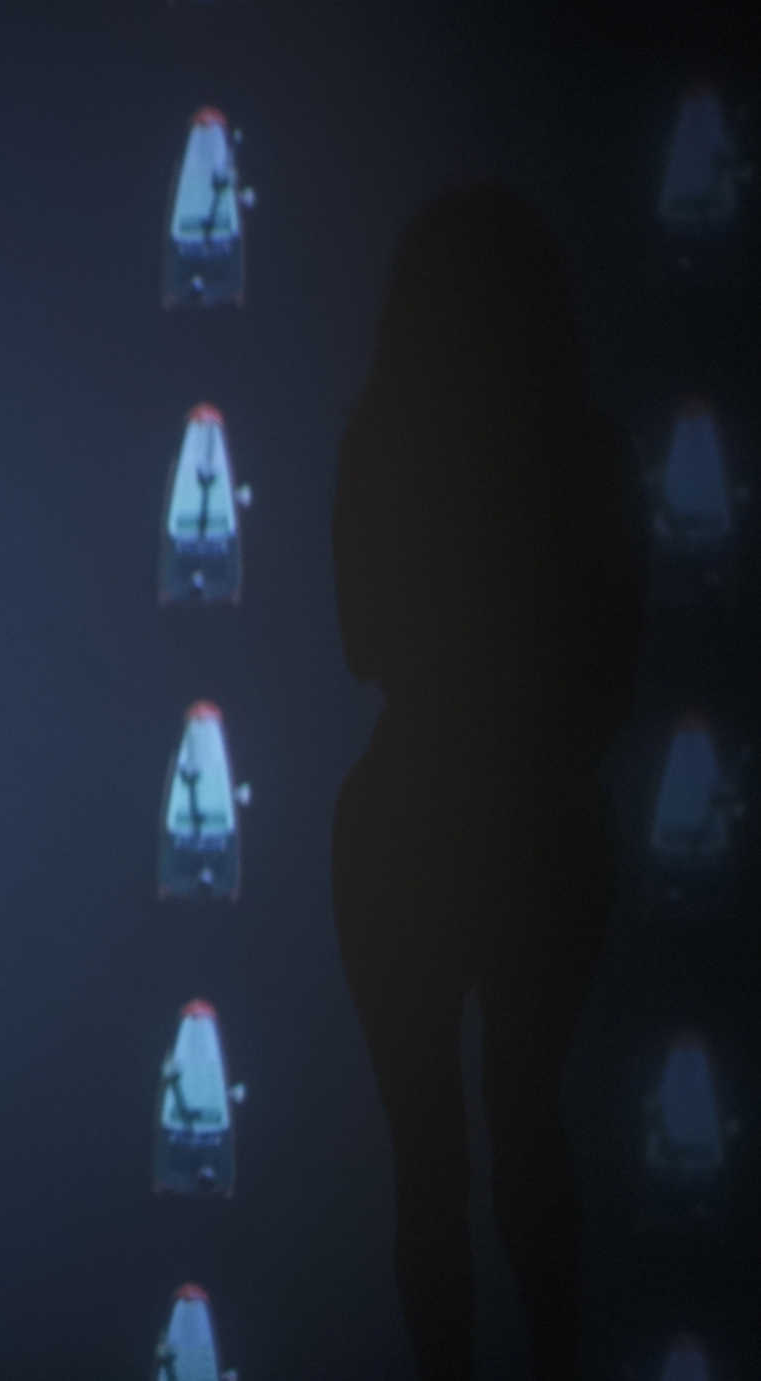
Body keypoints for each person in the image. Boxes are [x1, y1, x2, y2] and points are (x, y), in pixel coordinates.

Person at [330, 185, 644, 1381]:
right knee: (529, 1124)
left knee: (429, 1153)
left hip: (403, 814)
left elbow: (361, 643)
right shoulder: (586, 446)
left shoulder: (381, 438)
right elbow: (618, 661)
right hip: (544, 816)